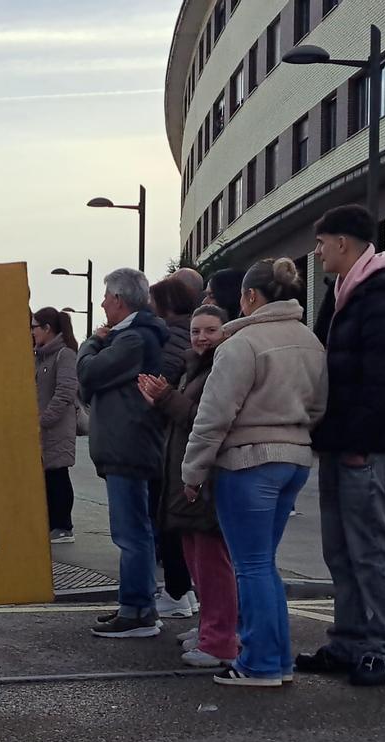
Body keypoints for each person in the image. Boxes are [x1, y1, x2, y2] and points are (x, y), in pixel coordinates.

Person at [297, 204, 385, 687]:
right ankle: (350, 642)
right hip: (339, 443)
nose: (318, 251)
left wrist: (359, 443)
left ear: (344, 244)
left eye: (322, 242)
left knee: (373, 549)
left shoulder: (382, 298)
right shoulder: (344, 294)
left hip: (364, 447)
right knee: (342, 551)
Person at [182, 258, 327, 687]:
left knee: (250, 566)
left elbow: (213, 416)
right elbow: (318, 407)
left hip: (247, 462)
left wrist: (192, 471)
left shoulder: (241, 344)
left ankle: (260, 663)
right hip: (294, 457)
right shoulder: (310, 341)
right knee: (263, 564)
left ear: (249, 297)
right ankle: (275, 659)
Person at [139, 305, 239, 667]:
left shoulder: (221, 367)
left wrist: (166, 398)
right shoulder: (193, 367)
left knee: (213, 563)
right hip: (186, 472)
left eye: (210, 330)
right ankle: (209, 628)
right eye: (196, 330)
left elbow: (206, 420)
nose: (201, 337)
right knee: (197, 559)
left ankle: (219, 638)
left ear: (225, 332)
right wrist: (161, 402)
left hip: (206, 476)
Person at [78, 268, 169, 638]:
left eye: (105, 297)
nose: (102, 303)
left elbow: (89, 373)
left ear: (118, 299)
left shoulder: (132, 339)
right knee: (136, 530)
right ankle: (137, 605)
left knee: (131, 532)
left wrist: (91, 343)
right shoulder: (133, 336)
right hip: (126, 442)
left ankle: (137, 611)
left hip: (127, 444)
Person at [146, 277, 200, 619]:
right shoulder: (181, 334)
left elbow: (157, 381)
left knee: (169, 518)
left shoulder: (170, 337)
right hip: (176, 436)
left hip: (172, 439)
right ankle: (186, 592)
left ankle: (178, 591)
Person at [30, 307, 79, 543]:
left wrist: (44, 419)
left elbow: (66, 392)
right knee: (46, 477)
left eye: (34, 327)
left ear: (48, 328)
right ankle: (52, 524)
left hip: (56, 427)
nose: (32, 332)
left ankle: (63, 525)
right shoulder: (39, 356)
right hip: (41, 427)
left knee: (58, 474)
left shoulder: (64, 354)